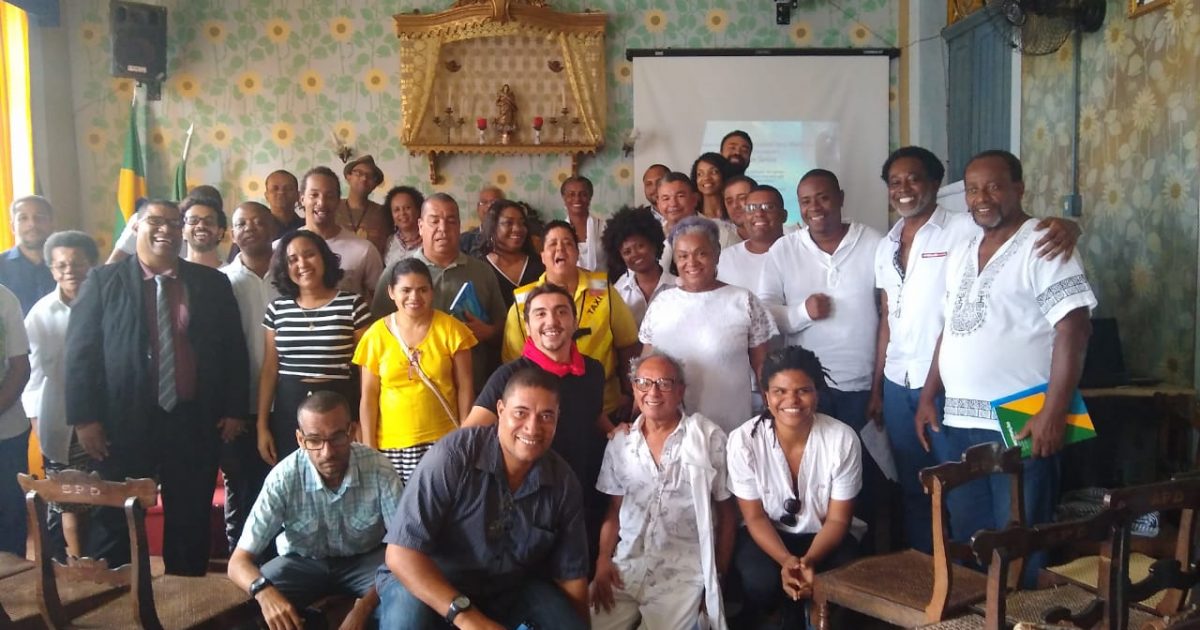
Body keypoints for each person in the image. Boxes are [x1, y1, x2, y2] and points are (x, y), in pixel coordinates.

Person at [870, 146, 1081, 554]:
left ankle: (1022, 600)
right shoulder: (966, 250)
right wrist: (929, 395)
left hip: (1024, 409)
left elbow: (1075, 329)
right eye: (972, 190)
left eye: (994, 187)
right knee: (972, 533)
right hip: (959, 412)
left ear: (1019, 188)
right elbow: (949, 327)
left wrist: (1054, 412)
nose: (982, 198)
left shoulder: (1043, 243)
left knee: (1021, 529)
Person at [66, 199, 248, 575]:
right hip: (122, 424)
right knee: (116, 519)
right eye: (155, 221)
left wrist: (234, 409)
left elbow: (233, 349)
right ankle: (117, 598)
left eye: (174, 223)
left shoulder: (211, 283)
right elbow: (80, 355)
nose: (166, 229)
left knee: (190, 518)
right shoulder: (103, 281)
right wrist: (85, 419)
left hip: (193, 419)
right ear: (136, 226)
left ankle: (187, 597)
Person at [376, 368, 591, 629]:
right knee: (406, 615)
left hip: (505, 588)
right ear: (500, 410)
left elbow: (571, 576)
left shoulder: (564, 483)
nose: (533, 427)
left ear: (557, 419)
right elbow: (400, 554)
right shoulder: (453, 457)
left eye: (546, 416)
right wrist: (468, 618)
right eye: (520, 413)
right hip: (430, 580)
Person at [756, 169, 887, 543]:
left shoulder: (873, 242)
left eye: (824, 197)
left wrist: (878, 387)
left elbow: (889, 315)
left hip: (861, 385)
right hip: (804, 390)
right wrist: (802, 312)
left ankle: (864, 558)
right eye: (806, 201)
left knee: (866, 482)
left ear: (841, 197)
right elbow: (764, 313)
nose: (816, 207)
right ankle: (817, 553)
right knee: (814, 479)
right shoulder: (784, 250)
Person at [228, 391, 403, 630]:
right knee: (246, 605)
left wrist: (362, 609)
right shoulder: (283, 478)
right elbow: (238, 562)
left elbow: (405, 553)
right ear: (300, 440)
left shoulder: (380, 469)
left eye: (337, 437)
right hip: (301, 563)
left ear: (352, 431)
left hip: (368, 562)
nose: (327, 452)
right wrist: (265, 593)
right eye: (314, 440)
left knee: (406, 599)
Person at [463, 283, 608, 566]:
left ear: (575, 321)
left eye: (561, 312)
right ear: (528, 327)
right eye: (540, 314)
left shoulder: (592, 370)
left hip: (581, 496)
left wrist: (616, 431)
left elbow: (591, 415)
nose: (551, 321)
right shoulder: (509, 376)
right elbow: (470, 435)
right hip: (528, 505)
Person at [590, 353, 734, 630]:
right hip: (625, 569)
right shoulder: (620, 443)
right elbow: (614, 511)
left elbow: (727, 516)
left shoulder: (707, 439)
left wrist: (717, 579)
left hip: (683, 576)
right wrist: (602, 560)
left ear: (680, 391)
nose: (653, 392)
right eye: (643, 383)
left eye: (664, 384)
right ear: (634, 389)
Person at [727, 346, 862, 628]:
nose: (792, 400)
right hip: (768, 534)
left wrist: (809, 560)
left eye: (803, 390)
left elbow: (838, 520)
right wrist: (787, 561)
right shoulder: (743, 441)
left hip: (824, 535)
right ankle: (777, 612)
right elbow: (754, 517)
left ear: (817, 394)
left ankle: (811, 611)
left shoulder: (842, 439)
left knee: (844, 573)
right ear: (766, 396)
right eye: (780, 391)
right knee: (759, 580)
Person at [640, 217, 776, 433]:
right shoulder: (662, 303)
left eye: (701, 253)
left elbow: (763, 368)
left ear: (717, 254)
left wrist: (773, 412)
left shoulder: (743, 301)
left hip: (729, 427)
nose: (691, 262)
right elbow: (645, 369)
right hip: (671, 430)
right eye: (683, 256)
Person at [371, 193, 507, 395]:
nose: (443, 228)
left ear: (459, 226)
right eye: (434, 221)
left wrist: (488, 332)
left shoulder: (482, 272)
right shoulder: (396, 273)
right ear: (420, 226)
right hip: (411, 392)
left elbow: (504, 326)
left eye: (451, 221)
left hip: (472, 389)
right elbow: (377, 331)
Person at [503, 220, 639, 421]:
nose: (560, 249)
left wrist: (629, 393)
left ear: (576, 253)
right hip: (542, 412)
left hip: (604, 406)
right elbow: (513, 362)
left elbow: (628, 345)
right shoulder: (523, 302)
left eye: (567, 243)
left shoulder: (603, 290)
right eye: (552, 244)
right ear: (542, 256)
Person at [354, 258, 477, 482]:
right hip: (391, 445)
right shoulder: (375, 336)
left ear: (432, 292)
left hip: (444, 440)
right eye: (406, 290)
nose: (414, 297)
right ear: (391, 292)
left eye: (422, 290)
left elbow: (465, 387)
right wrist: (369, 447)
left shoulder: (452, 330)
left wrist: (465, 435)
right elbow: (369, 397)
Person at [258, 230, 370, 466]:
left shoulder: (353, 305)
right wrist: (262, 426)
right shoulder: (277, 309)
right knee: (295, 477)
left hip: (340, 407)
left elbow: (367, 370)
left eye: (309, 254)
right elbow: (269, 369)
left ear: (324, 258)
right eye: (293, 259)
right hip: (289, 409)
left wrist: (362, 419)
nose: (302, 264)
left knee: (342, 473)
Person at [24, 231, 99, 559]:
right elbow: (32, 377)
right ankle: (80, 568)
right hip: (60, 424)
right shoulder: (41, 313)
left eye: (78, 263)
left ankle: (112, 567)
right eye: (61, 265)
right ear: (52, 269)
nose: (70, 271)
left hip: (108, 419)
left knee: (107, 499)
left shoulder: (109, 302)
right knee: (70, 502)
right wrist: (36, 422)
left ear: (92, 264)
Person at [219, 202, 279, 553]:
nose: (251, 228)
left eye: (259, 221)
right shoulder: (221, 281)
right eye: (242, 223)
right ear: (232, 233)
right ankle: (240, 562)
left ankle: (279, 563)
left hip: (285, 402)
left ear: (273, 228)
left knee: (280, 485)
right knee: (242, 487)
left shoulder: (291, 276)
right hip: (240, 405)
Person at [299, 166, 383, 302]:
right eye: (314, 195)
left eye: (329, 196)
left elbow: (382, 302)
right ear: (302, 199)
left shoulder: (364, 250)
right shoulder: (284, 248)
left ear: (338, 201)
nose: (321, 202)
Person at [601, 206, 675, 327]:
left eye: (640, 246)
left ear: (654, 244)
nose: (635, 254)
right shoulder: (618, 291)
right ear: (620, 257)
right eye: (627, 252)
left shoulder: (678, 287)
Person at [0, 282, 30, 558]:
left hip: (7, 435)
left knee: (9, 518)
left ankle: (11, 581)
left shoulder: (5, 299)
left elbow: (20, 369)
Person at [718, 184, 787, 293]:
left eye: (768, 207)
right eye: (751, 208)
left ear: (784, 215)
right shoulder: (725, 259)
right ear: (744, 216)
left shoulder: (799, 253)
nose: (759, 213)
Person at [479, 199, 545, 310]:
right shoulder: (480, 268)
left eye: (522, 223)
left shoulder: (540, 264)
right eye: (508, 223)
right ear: (493, 227)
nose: (517, 229)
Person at [0, 195, 55, 314]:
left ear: (51, 223)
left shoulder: (67, 265)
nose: (32, 224)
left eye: (39, 217)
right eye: (23, 218)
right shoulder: (1, 266)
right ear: (12, 227)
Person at [337, 155, 391, 256]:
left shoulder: (384, 213)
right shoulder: (333, 207)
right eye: (359, 173)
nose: (364, 178)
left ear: (375, 185)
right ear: (348, 177)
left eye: (370, 176)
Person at [561, 176, 607, 272]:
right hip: (569, 281)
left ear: (590, 197)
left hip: (602, 280)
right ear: (564, 198)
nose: (577, 198)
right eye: (571, 194)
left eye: (583, 194)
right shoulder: (559, 232)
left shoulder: (605, 228)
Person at [382, 185, 424, 267]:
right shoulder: (389, 241)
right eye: (397, 210)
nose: (402, 213)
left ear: (418, 210)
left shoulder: (429, 240)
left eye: (407, 208)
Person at [182, 195, 227, 268]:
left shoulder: (231, 273)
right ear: (183, 231)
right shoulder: (172, 272)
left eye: (209, 221)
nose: (201, 225)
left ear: (220, 233)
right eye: (193, 220)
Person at [459, 185, 505, 257]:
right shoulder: (464, 240)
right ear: (478, 208)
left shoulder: (513, 237)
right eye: (484, 202)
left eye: (494, 202)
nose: (489, 206)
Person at [265, 169, 305, 234]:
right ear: (266, 196)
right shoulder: (261, 228)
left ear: (297, 195)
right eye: (275, 189)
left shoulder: (307, 226)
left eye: (288, 189)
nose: (281, 192)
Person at [723, 175, 757, 242]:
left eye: (742, 198)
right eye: (729, 201)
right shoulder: (721, 239)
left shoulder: (779, 238)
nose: (735, 205)